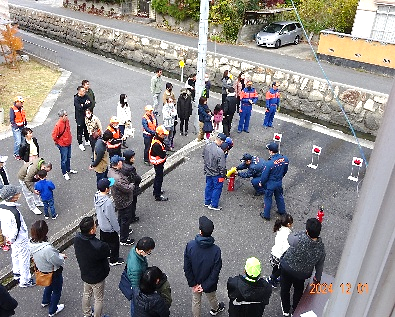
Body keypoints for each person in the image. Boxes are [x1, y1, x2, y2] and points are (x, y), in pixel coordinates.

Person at [280, 218, 326, 317]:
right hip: (302, 274)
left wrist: (303, 233)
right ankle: (295, 311)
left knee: (285, 289)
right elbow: (320, 265)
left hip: (287, 268)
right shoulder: (321, 248)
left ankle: (286, 310)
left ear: (307, 231)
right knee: (298, 290)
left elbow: (289, 237)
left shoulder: (298, 239)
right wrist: (317, 278)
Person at [183, 216, 225, 317]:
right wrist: (205, 285)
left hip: (195, 281)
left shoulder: (190, 246)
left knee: (196, 301)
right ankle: (216, 309)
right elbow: (216, 271)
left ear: (200, 231)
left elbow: (187, 267)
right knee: (212, 297)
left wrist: (193, 284)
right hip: (209, 283)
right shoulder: (216, 250)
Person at [74, 216, 110, 317]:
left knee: (87, 293)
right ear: (91, 230)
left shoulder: (77, 238)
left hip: (85, 273)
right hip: (97, 276)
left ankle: (87, 314)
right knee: (98, 298)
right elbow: (107, 252)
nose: (96, 226)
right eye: (95, 225)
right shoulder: (99, 246)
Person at [0, 185, 35, 287]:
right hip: (19, 238)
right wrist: (12, 239)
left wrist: (8, 239)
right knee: (24, 257)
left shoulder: (2, 207)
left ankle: (16, 272)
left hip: (9, 236)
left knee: (15, 254)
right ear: (13, 197)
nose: (19, 194)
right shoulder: (14, 213)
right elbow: (16, 229)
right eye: (17, 193)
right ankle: (25, 280)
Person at [30, 220, 66, 317]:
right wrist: (61, 257)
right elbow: (57, 261)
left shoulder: (31, 244)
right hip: (53, 271)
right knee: (57, 291)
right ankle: (53, 310)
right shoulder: (47, 248)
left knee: (48, 284)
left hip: (42, 270)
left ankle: (45, 301)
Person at [95, 178, 124, 266]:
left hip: (102, 225)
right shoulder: (107, 202)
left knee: (104, 242)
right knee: (114, 244)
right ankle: (113, 260)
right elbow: (111, 218)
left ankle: (106, 255)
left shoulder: (96, 196)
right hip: (109, 228)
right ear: (107, 189)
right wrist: (117, 229)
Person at [107, 155, 135, 246]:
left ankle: (122, 230)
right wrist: (132, 184)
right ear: (118, 163)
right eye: (121, 161)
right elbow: (127, 188)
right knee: (125, 219)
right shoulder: (117, 178)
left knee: (121, 217)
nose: (122, 163)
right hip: (124, 201)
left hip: (118, 199)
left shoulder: (111, 171)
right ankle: (124, 238)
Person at [259, 142, 289, 221]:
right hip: (279, 182)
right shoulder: (285, 159)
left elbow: (264, 176)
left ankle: (266, 215)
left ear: (271, 151)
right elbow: (285, 171)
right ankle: (282, 211)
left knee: (268, 198)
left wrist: (261, 182)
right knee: (279, 196)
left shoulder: (269, 163)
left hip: (270, 184)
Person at [126, 237, 156, 317]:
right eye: (148, 252)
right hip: (137, 285)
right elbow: (136, 287)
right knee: (135, 305)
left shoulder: (134, 250)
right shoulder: (136, 268)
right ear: (142, 251)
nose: (148, 253)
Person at [266, 213, 293, 288]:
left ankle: (273, 279)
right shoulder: (288, 234)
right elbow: (286, 249)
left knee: (275, 268)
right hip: (280, 256)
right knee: (280, 270)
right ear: (288, 224)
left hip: (274, 253)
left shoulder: (279, 228)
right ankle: (271, 279)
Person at [52, 109, 78, 181]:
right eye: (65, 115)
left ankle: (68, 169)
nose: (67, 116)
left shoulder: (67, 121)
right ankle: (64, 173)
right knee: (64, 159)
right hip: (63, 145)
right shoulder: (58, 125)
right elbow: (54, 136)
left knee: (68, 157)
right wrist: (59, 143)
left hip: (68, 142)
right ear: (61, 116)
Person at [203, 133, 226, 211]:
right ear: (221, 142)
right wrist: (223, 175)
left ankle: (207, 201)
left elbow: (203, 156)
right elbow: (222, 166)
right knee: (217, 188)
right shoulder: (220, 152)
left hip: (208, 171)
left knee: (208, 186)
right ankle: (214, 205)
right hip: (217, 173)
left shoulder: (207, 146)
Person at [120, 149, 141, 224]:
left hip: (124, 188)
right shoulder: (130, 168)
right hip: (131, 188)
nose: (134, 159)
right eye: (132, 157)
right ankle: (132, 217)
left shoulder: (122, 165)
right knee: (132, 203)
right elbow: (136, 178)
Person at [149, 125, 169, 201]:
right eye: (163, 134)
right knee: (159, 178)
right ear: (159, 134)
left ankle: (156, 190)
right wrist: (165, 152)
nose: (165, 136)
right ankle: (157, 195)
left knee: (158, 177)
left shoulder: (156, 139)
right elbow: (162, 154)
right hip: (158, 163)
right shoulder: (157, 144)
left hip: (158, 162)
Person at [74, 86, 91, 151]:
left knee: (86, 128)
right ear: (79, 91)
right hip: (79, 117)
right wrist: (85, 104)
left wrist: (83, 105)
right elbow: (79, 108)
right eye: (83, 91)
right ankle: (80, 143)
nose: (85, 92)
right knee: (80, 130)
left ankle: (87, 140)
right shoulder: (76, 98)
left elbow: (90, 103)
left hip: (86, 116)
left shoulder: (86, 96)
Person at [10, 96, 27, 160]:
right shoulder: (12, 109)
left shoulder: (21, 108)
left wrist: (25, 123)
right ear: (16, 102)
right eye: (21, 102)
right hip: (16, 128)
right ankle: (16, 154)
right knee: (18, 141)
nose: (22, 103)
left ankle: (21, 153)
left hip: (22, 126)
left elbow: (23, 117)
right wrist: (15, 127)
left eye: (22, 102)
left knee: (23, 141)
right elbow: (12, 120)